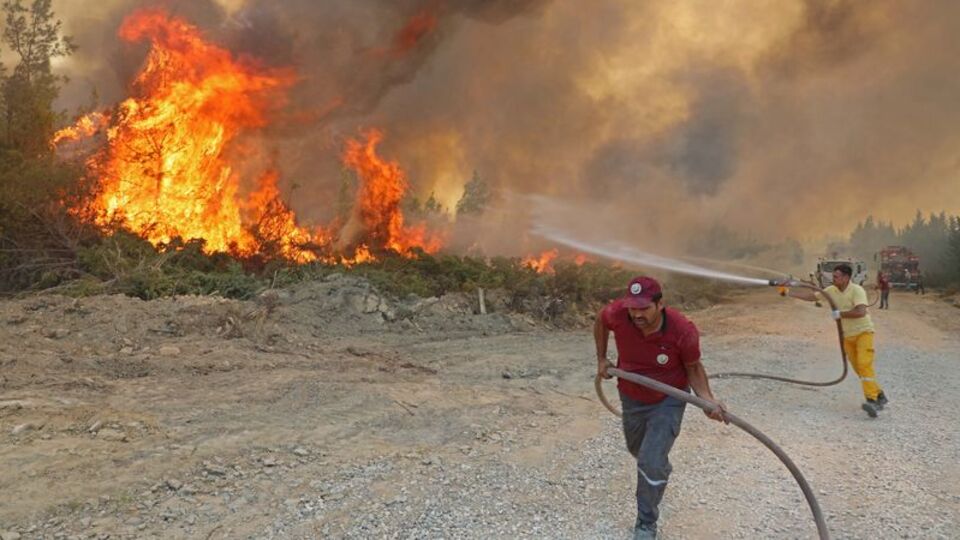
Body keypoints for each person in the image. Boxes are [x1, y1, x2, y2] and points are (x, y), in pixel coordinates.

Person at [595, 276, 726, 539]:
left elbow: (693, 369)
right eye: (632, 308)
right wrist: (601, 358)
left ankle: (646, 523)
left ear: (660, 304)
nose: (636, 314)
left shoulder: (682, 330)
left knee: (649, 460)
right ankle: (658, 467)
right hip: (631, 395)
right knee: (637, 450)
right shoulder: (618, 314)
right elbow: (600, 321)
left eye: (644, 308)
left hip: (669, 399)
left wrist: (707, 400)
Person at [790, 264, 888, 417]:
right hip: (847, 335)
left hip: (864, 333)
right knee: (860, 369)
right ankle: (880, 395)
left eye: (836, 276)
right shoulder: (831, 291)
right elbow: (812, 296)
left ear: (846, 277)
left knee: (864, 364)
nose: (833, 279)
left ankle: (873, 401)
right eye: (833, 276)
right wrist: (789, 293)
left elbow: (861, 312)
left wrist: (840, 314)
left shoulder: (857, 290)